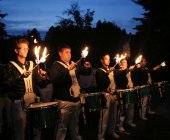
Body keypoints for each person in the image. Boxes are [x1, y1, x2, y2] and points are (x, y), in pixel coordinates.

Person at [3, 38, 47, 140]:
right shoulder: (10, 66)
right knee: (19, 133)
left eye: (27, 48)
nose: (25, 50)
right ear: (16, 50)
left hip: (34, 102)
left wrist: (44, 77)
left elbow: (41, 84)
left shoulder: (31, 65)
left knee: (36, 131)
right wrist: (20, 78)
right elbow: (6, 85)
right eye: (22, 48)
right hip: (18, 103)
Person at [50, 43, 90, 140]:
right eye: (66, 52)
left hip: (76, 100)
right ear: (60, 53)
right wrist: (67, 69)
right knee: (62, 128)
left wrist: (87, 68)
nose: (69, 54)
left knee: (75, 126)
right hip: (64, 102)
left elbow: (84, 72)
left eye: (70, 52)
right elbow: (55, 79)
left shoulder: (72, 64)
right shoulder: (56, 65)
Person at [95, 53, 119, 140]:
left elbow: (114, 82)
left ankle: (111, 131)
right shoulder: (99, 71)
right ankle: (101, 135)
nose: (108, 60)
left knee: (113, 115)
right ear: (102, 60)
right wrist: (107, 73)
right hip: (105, 95)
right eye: (106, 59)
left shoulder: (110, 70)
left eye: (109, 59)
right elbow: (102, 83)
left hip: (113, 94)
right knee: (104, 117)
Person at [114, 58, 136, 132]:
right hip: (121, 92)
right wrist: (127, 70)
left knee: (131, 107)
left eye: (126, 62)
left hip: (130, 90)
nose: (126, 63)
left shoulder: (129, 70)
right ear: (120, 63)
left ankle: (129, 121)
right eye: (124, 62)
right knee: (122, 109)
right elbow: (121, 75)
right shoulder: (118, 71)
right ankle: (119, 125)